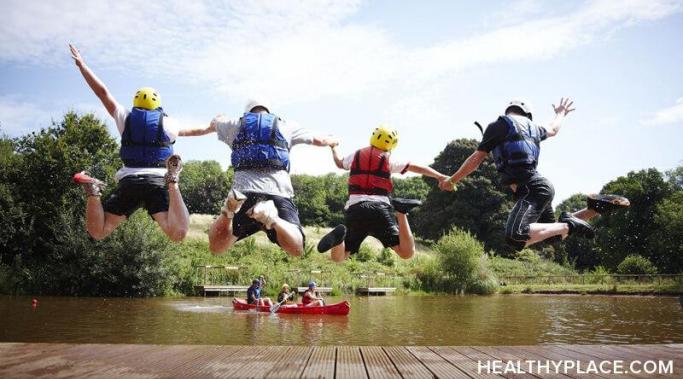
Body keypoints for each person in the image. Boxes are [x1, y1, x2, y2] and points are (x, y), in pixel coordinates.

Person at [438, 98, 630, 250]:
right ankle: (596, 208)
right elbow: (554, 129)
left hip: (532, 189)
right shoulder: (534, 128)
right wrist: (561, 113)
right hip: (540, 188)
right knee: (552, 235)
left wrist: (451, 180)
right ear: (527, 114)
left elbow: (475, 159)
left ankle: (570, 224)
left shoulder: (498, 126)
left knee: (515, 236)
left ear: (508, 111)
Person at [178, 100, 338, 256]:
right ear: (269, 112)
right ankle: (272, 218)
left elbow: (207, 127)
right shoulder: (286, 125)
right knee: (296, 249)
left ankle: (228, 211)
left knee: (217, 247)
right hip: (278, 192)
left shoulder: (234, 124)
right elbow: (320, 140)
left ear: (248, 112)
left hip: (243, 191)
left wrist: (217, 120)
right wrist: (333, 142)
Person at [68, 44, 191, 241]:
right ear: (158, 105)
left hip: (129, 182)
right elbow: (193, 131)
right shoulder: (169, 124)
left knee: (98, 232)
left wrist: (83, 66)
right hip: (157, 182)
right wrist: (211, 128)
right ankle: (173, 180)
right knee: (178, 234)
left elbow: (102, 93)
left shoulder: (124, 117)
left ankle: (92, 192)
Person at [317, 126, 449, 262]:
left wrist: (333, 147)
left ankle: (339, 241)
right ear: (391, 144)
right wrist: (440, 176)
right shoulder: (388, 159)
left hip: (356, 209)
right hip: (380, 209)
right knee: (406, 253)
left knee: (339, 258)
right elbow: (416, 167)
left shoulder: (355, 156)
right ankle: (401, 212)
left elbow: (339, 163)